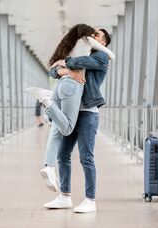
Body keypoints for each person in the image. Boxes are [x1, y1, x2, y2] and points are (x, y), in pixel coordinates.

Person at [26, 24, 115, 193]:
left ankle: (90, 199)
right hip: (70, 108)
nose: (92, 36)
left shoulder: (101, 57)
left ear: (103, 43)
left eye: (96, 35)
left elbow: (79, 62)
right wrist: (67, 72)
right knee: (63, 155)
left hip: (88, 111)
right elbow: (52, 71)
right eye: (92, 33)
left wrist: (65, 63)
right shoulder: (79, 52)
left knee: (86, 158)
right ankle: (64, 195)